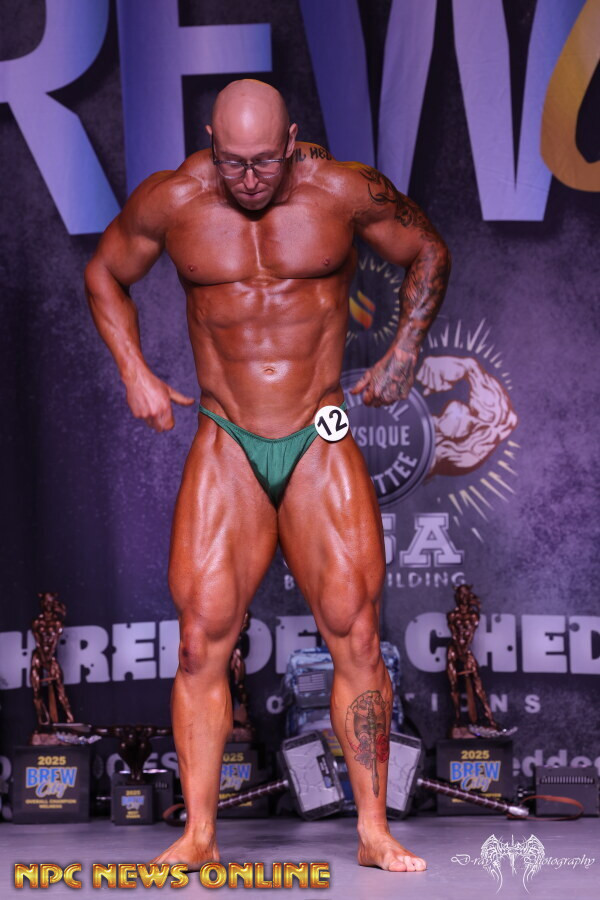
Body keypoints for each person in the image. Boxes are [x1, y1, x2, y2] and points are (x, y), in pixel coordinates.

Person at [84, 79, 451, 873]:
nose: (248, 179)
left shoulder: (343, 190)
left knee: (356, 633)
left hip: (321, 425)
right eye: (232, 162)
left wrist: (406, 348)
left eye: (263, 162)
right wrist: (134, 372)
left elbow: (427, 248)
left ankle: (373, 830)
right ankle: (199, 834)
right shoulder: (174, 200)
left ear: (290, 141)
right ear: (210, 142)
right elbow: (105, 272)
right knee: (200, 641)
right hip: (226, 431)